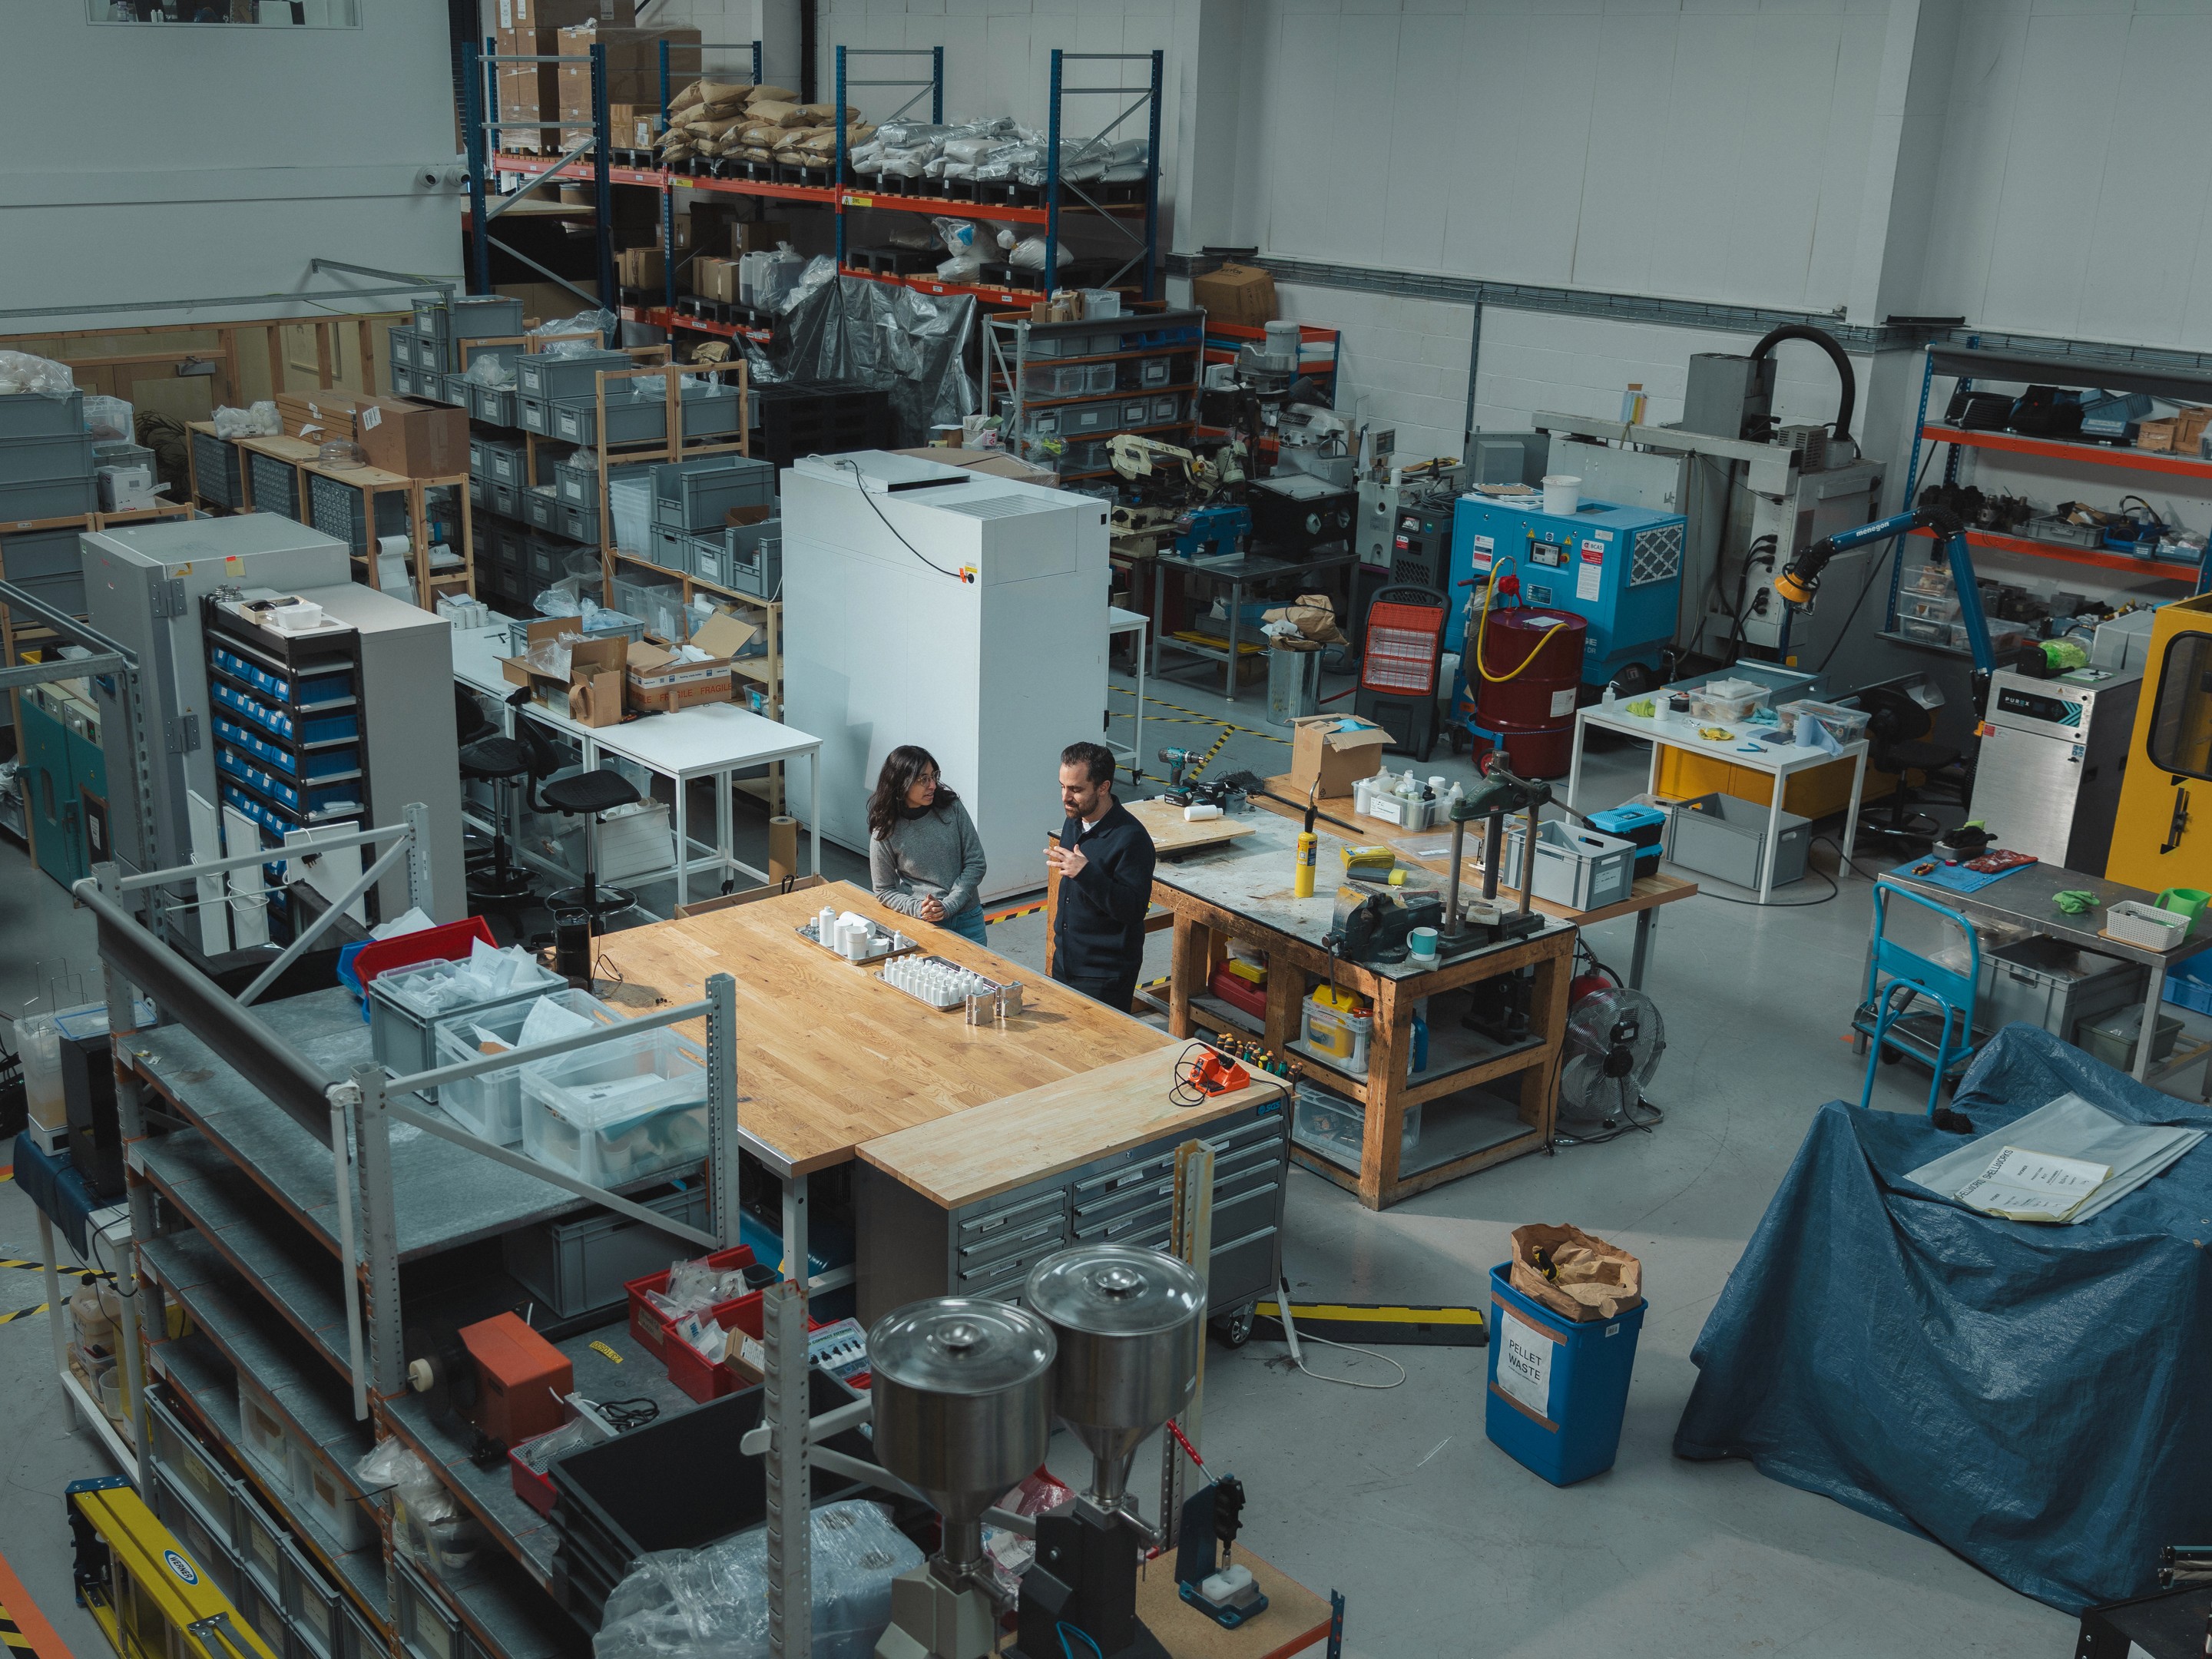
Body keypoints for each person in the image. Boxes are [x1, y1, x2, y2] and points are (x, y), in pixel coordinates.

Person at [1045, 740, 1155, 1013]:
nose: (1065, 797)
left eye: (1076, 789)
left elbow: (1133, 910)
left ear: (1103, 787)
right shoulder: (1073, 821)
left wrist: (1086, 873)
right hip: (1066, 962)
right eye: (1062, 786)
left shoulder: (1131, 839)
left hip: (1104, 975)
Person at [866, 745, 988, 945]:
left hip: (968, 918)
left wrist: (948, 905)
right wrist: (920, 909)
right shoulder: (885, 831)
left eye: (934, 776)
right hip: (923, 923)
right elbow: (884, 890)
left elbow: (976, 862)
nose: (932, 785)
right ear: (900, 783)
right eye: (923, 779)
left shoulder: (951, 808)